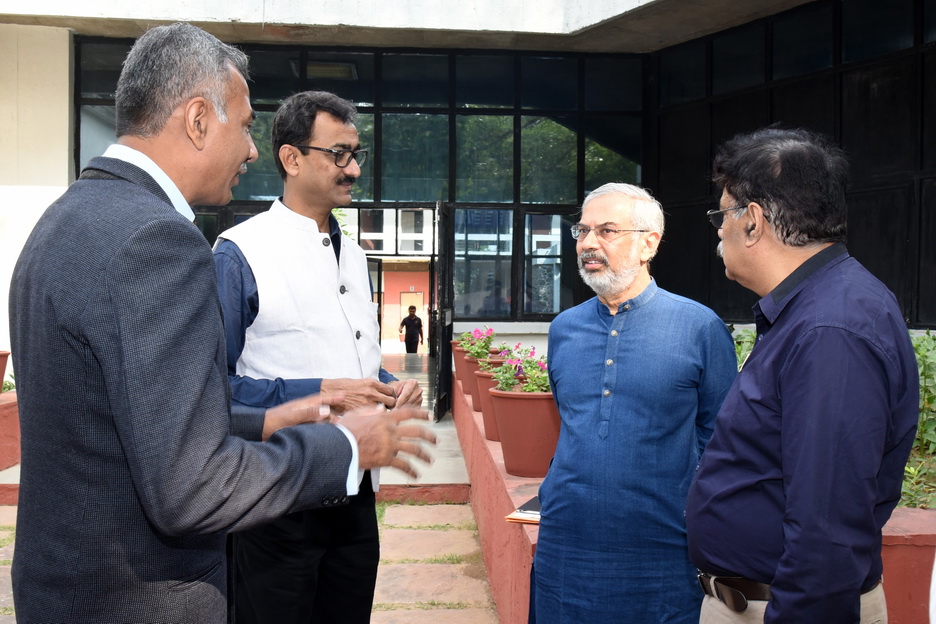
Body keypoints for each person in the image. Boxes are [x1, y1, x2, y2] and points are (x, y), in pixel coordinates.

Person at [7, 24, 434, 624]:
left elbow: (139, 416)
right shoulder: (162, 240)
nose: (252, 150)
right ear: (199, 120)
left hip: (69, 590)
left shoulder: (69, 215)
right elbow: (190, 484)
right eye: (247, 125)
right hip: (142, 598)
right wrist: (345, 444)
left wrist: (276, 416)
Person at [685, 128, 918, 623]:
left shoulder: (830, 328)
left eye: (722, 216)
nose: (718, 232)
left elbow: (826, 529)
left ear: (752, 222)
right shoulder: (815, 309)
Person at [213, 90, 423, 624]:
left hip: (355, 492)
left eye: (356, 154)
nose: (354, 169)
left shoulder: (354, 254)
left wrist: (387, 383)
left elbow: (352, 357)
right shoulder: (239, 253)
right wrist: (322, 392)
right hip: (278, 495)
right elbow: (212, 387)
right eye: (339, 154)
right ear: (291, 158)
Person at [532, 183, 737, 623]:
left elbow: (721, 441)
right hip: (567, 540)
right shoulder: (564, 329)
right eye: (582, 230)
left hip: (663, 545)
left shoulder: (700, 328)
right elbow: (572, 425)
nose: (588, 243)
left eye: (607, 230)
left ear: (649, 244)